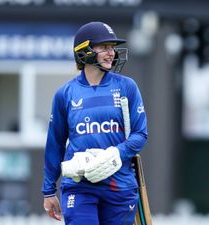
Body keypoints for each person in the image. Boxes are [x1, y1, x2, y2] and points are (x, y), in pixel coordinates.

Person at [41, 21, 148, 225]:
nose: (111, 53)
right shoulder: (65, 94)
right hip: (79, 185)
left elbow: (140, 135)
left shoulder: (127, 87)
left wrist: (114, 154)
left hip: (119, 185)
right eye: (104, 47)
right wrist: (48, 190)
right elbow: (55, 143)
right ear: (85, 51)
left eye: (112, 48)